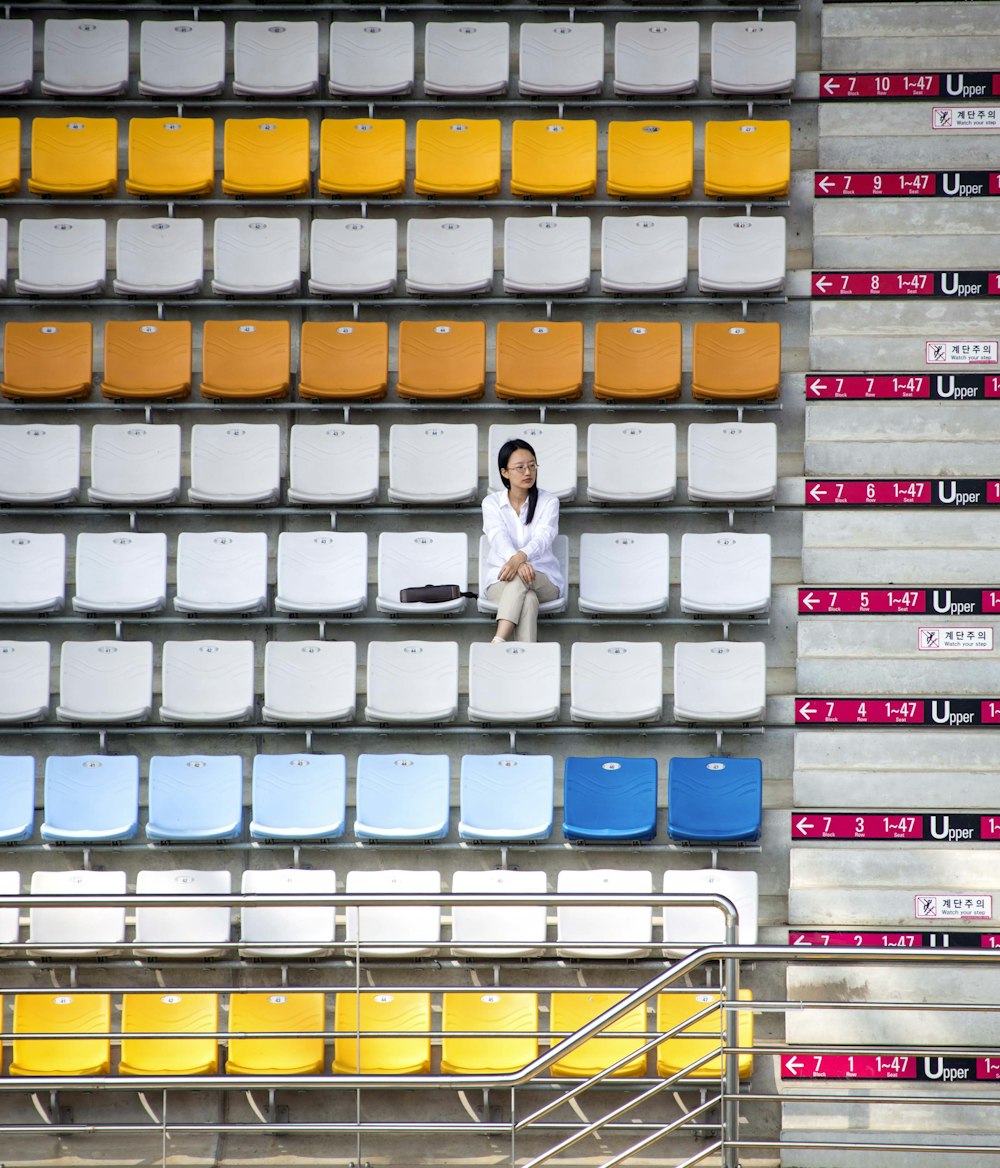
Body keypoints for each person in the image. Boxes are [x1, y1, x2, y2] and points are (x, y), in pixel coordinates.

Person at [481, 439, 563, 643]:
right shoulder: (491, 503)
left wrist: (519, 559)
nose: (528, 472)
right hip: (500, 581)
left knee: (523, 578)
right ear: (505, 472)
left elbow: (544, 537)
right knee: (528, 600)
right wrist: (516, 561)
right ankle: (527, 659)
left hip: (544, 580)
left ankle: (498, 640)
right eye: (520, 467)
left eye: (532, 465)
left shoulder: (549, 502)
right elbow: (497, 536)